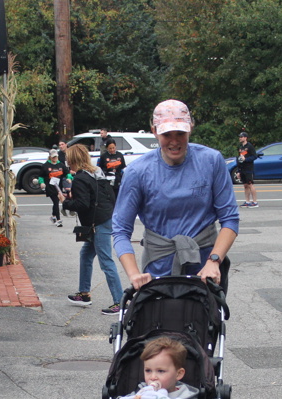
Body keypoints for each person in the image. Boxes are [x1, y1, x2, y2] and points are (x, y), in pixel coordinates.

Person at [111, 99, 239, 292]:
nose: (174, 141)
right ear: (154, 131)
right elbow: (121, 229)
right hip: (158, 270)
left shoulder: (211, 161)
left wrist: (214, 261)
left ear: (191, 128)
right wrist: (134, 274)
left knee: (207, 311)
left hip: (206, 270)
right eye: (166, 134)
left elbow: (230, 218)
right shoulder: (138, 172)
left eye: (180, 133)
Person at [60, 144, 124, 315]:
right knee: (86, 254)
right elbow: (110, 195)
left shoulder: (80, 178)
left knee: (106, 262)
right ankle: (84, 294)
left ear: (72, 159)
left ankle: (120, 302)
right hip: (105, 218)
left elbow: (82, 204)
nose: (66, 161)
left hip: (97, 223)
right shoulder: (96, 173)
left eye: (68, 158)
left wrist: (66, 202)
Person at [38, 148, 69, 226]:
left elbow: (67, 173)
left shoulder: (61, 165)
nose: (54, 158)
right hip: (50, 187)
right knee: (56, 201)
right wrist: (41, 183)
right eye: (53, 157)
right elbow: (41, 176)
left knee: (56, 202)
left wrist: (69, 178)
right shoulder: (45, 165)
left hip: (59, 187)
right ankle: (58, 220)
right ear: (50, 157)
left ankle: (53, 216)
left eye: (56, 156)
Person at [237, 132, 258, 207]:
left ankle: (255, 202)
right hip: (242, 168)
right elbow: (239, 159)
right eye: (239, 137)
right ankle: (247, 201)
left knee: (250, 184)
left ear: (245, 138)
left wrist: (246, 159)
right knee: (245, 185)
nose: (240, 138)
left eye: (241, 137)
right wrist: (238, 171)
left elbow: (254, 156)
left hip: (248, 168)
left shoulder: (249, 146)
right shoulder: (240, 147)